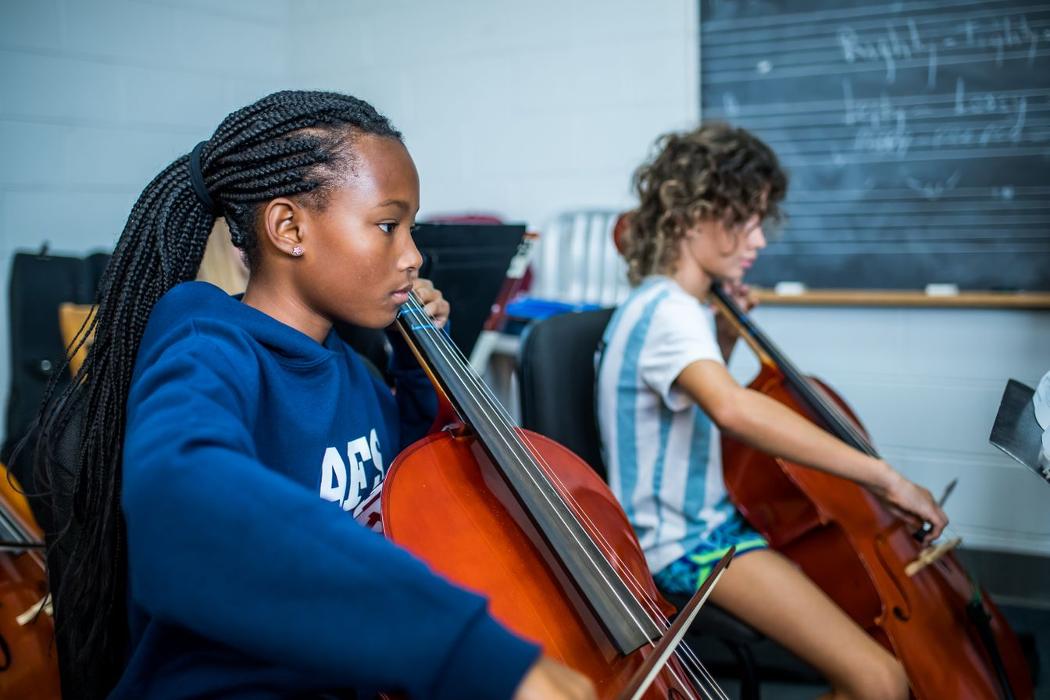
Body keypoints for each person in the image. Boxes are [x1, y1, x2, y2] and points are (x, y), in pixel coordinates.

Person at [34, 90, 594, 700]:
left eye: (411, 230)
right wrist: (466, 650)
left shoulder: (352, 369)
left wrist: (414, 363)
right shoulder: (207, 341)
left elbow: (417, 490)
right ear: (289, 228)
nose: (413, 256)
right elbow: (187, 500)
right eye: (388, 226)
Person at [597, 123, 949, 700]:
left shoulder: (669, 305)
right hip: (684, 547)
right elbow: (732, 409)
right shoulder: (670, 312)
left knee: (877, 666)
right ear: (692, 217)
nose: (758, 239)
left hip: (708, 524)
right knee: (881, 680)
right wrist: (886, 478)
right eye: (745, 220)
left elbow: (690, 400)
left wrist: (724, 336)